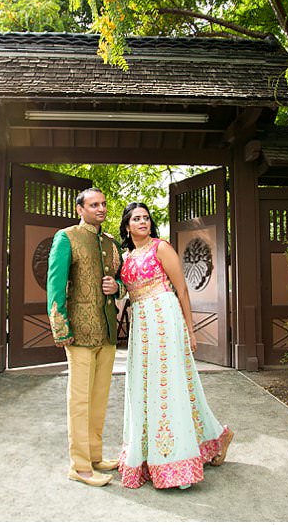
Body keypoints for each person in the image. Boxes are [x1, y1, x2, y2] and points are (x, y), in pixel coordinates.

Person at [117, 202, 234, 490]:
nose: (143, 222)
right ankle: (215, 436)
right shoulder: (126, 256)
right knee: (144, 388)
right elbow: (124, 293)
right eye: (136, 218)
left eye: (146, 217)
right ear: (127, 226)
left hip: (164, 319)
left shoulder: (161, 248)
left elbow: (181, 288)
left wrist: (190, 330)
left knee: (168, 387)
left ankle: (173, 459)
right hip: (141, 324)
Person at [46, 188, 123, 487]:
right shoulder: (66, 237)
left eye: (103, 204)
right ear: (80, 209)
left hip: (106, 329)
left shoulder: (109, 242)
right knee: (79, 399)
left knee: (100, 397)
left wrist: (115, 286)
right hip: (79, 330)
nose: (100, 209)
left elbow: (120, 279)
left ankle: (94, 455)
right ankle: (79, 466)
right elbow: (55, 284)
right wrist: (60, 326)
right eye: (94, 205)